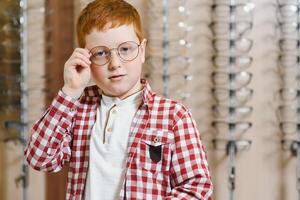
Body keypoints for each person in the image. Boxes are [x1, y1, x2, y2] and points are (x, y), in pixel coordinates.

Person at [24, 0, 213, 199]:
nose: (115, 64)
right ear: (85, 58)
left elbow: (197, 190)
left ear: (142, 50)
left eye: (125, 49)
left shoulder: (173, 116)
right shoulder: (77, 109)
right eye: (100, 53)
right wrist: (70, 90)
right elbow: (39, 158)